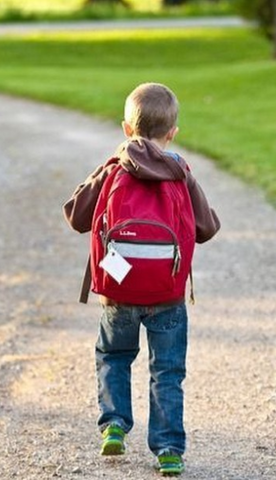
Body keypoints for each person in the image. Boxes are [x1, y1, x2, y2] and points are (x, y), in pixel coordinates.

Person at [63, 82, 220, 475]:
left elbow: (76, 215)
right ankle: (168, 449)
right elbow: (207, 228)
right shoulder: (180, 170)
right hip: (167, 293)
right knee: (166, 371)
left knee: (114, 356)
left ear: (126, 129)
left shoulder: (115, 167)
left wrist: (107, 166)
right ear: (173, 133)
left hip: (119, 291)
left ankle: (114, 424)